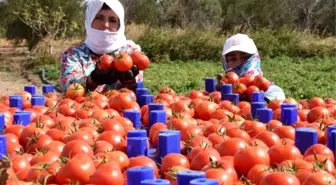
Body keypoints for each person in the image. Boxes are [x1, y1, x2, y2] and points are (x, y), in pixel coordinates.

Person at [60, 0, 143, 93]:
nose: (106, 25)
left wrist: (129, 80)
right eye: (99, 18)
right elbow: (68, 86)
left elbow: (137, 90)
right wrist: (92, 80)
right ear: (89, 21)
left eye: (112, 20)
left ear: (120, 26)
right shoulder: (73, 55)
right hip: (86, 107)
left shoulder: (130, 52)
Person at [221, 33, 286, 101]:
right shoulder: (220, 92)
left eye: (245, 57)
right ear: (225, 64)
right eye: (233, 59)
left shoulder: (273, 92)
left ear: (255, 58)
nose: (239, 63)